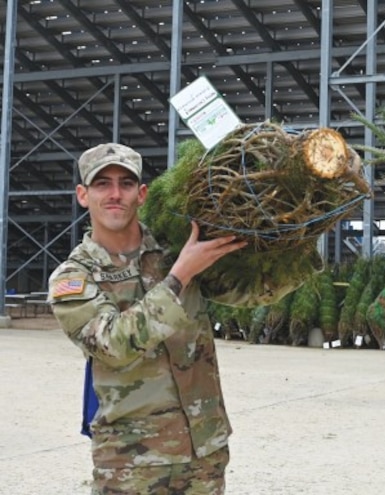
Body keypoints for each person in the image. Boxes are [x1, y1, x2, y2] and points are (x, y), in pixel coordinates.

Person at [48, 143, 248, 494]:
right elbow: (113, 344)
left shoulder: (177, 251)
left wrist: (298, 241)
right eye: (102, 184)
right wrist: (180, 276)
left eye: (126, 184)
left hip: (204, 451)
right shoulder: (75, 276)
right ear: (83, 195)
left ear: (142, 194)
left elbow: (247, 291)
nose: (115, 194)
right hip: (132, 462)